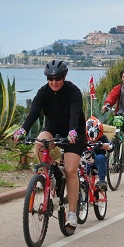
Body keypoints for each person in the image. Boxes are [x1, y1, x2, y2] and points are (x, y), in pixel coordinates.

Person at [12, 59, 86, 232]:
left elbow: (75, 113)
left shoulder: (73, 91)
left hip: (75, 132)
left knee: (70, 171)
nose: (54, 82)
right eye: (50, 79)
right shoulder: (43, 92)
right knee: (39, 143)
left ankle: (72, 214)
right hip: (53, 128)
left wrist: (73, 131)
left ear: (64, 77)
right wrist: (22, 131)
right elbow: (33, 114)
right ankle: (49, 174)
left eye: (58, 78)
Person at [84, 116, 112, 191]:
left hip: (97, 161)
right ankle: (81, 183)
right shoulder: (83, 137)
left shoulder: (102, 138)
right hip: (86, 160)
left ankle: (102, 181)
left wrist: (108, 146)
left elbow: (111, 145)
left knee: (101, 157)